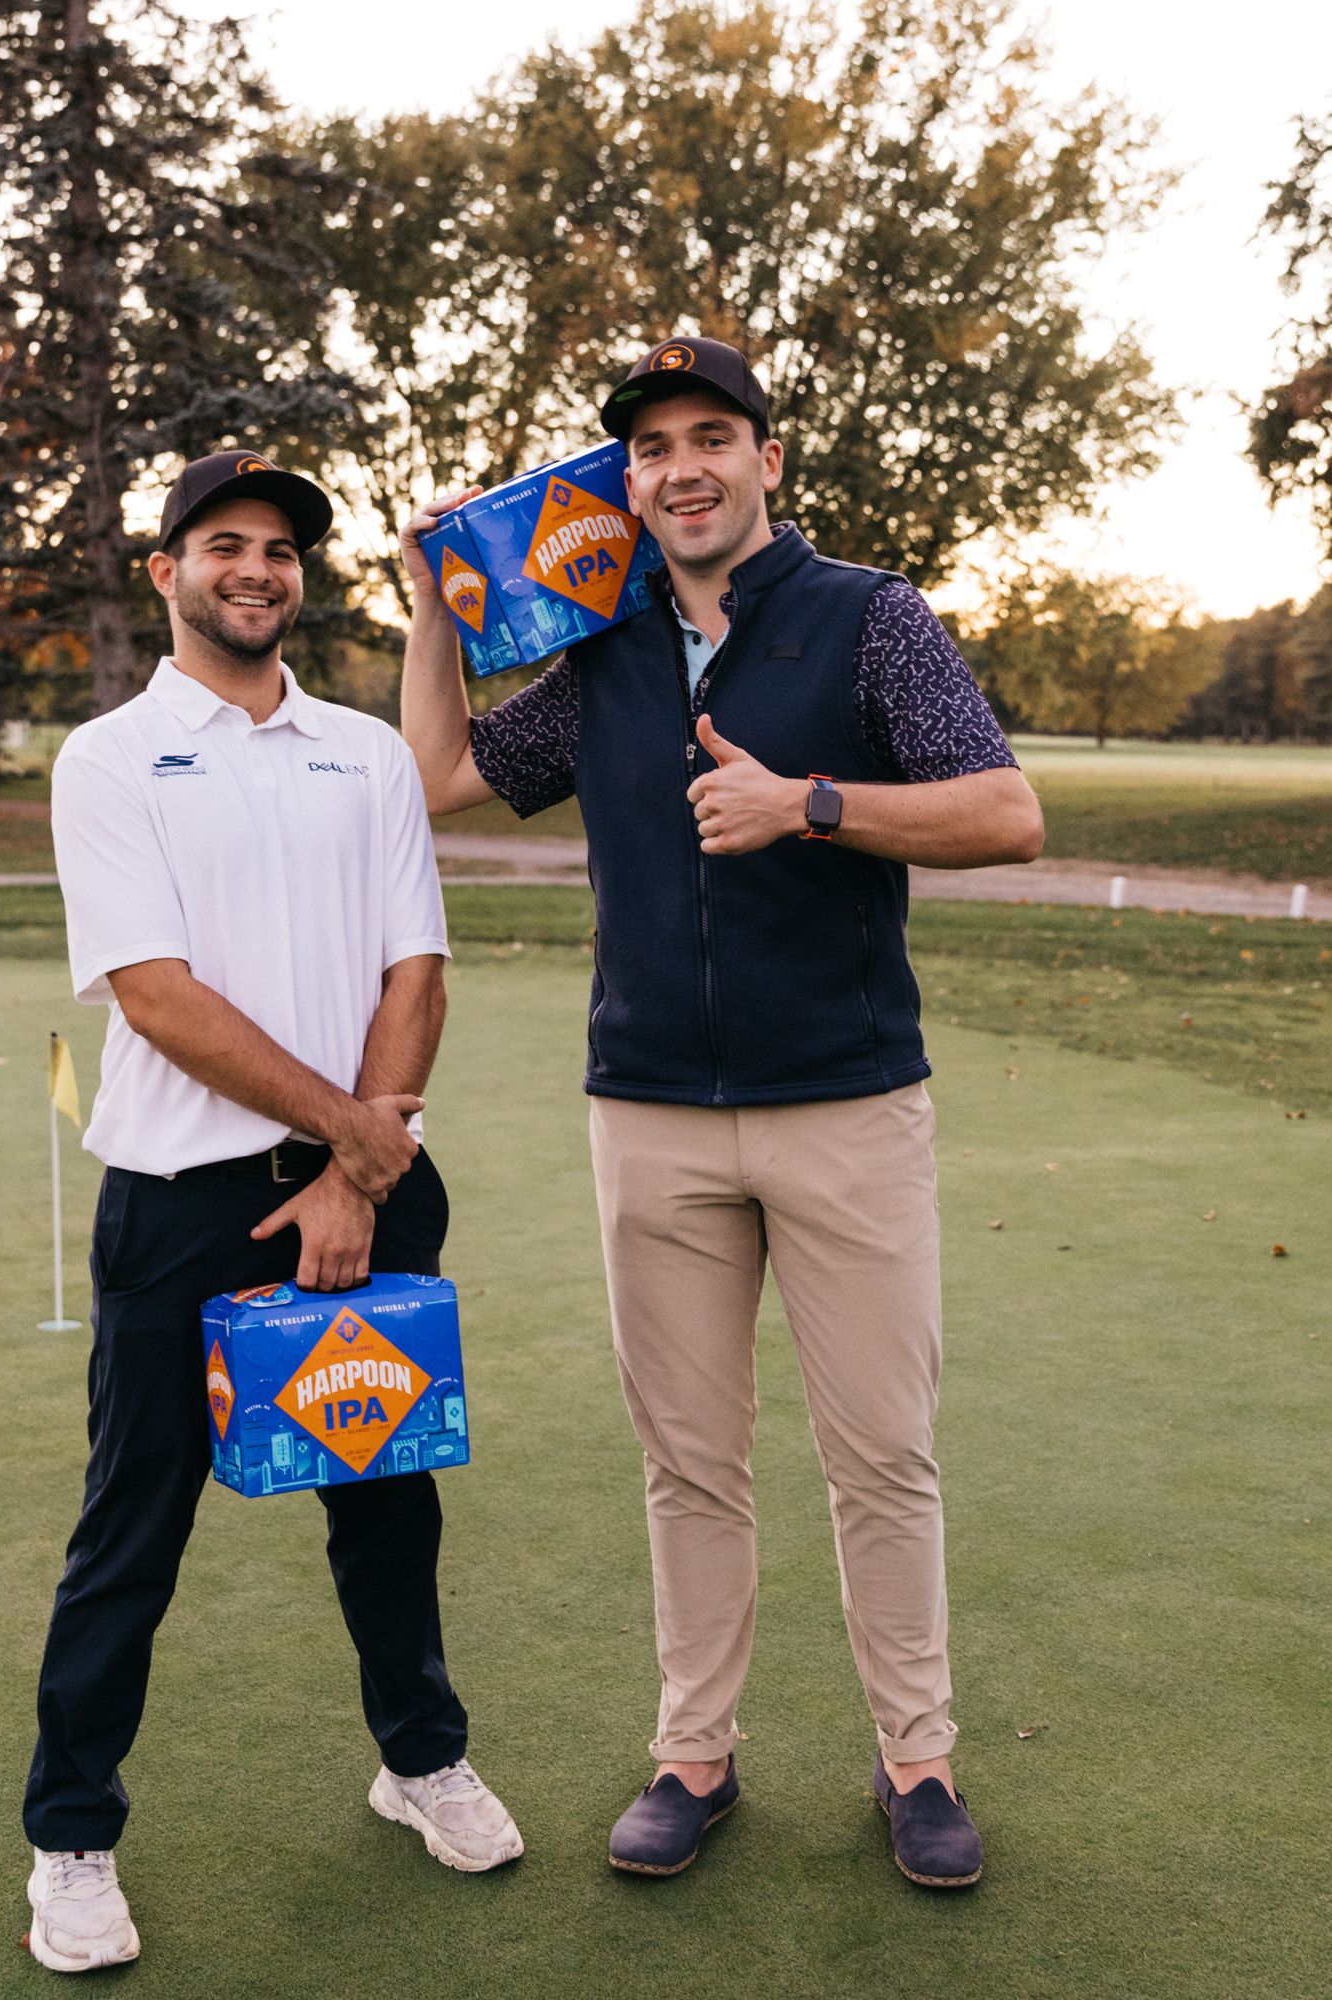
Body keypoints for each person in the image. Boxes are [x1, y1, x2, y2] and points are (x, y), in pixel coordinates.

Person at [400, 338, 1043, 1890]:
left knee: (881, 1454)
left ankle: (919, 1763)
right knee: (687, 1459)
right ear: (629, 481)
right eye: (650, 448)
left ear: (766, 457)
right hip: (652, 1114)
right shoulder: (605, 643)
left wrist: (807, 803)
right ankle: (695, 1756)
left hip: (848, 1103)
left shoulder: (867, 616)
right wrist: (431, 606)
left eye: (709, 436)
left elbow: (1006, 813)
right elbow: (430, 778)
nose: (678, 467)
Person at [23, 449, 521, 1975]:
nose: (257, 568)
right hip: (184, 1203)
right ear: (164, 569)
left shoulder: (364, 753)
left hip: (365, 1178)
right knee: (134, 1527)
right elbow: (162, 1000)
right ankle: (71, 1839)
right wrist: (349, 1146)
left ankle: (418, 1759)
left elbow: (414, 971)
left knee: (388, 1501)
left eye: (282, 548)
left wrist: (353, 1173)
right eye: (223, 543)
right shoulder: (105, 759)